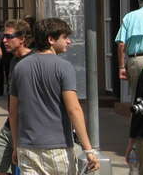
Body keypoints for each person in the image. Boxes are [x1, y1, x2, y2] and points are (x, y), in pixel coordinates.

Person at [9, 17, 99, 174]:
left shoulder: (20, 67)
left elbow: (13, 112)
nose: (69, 42)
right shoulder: (64, 67)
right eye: (65, 37)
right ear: (51, 39)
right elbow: (74, 110)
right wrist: (88, 150)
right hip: (58, 147)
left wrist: (16, 145)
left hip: (27, 146)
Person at [0, 19, 33, 175]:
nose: (4, 40)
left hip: (26, 127)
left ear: (22, 39)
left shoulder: (32, 61)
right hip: (10, 124)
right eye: (3, 37)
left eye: (9, 36)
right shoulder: (13, 59)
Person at [116, 0, 143, 102]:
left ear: (139, 2)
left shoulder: (129, 17)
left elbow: (121, 44)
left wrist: (122, 67)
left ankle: (138, 118)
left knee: (137, 98)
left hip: (136, 60)